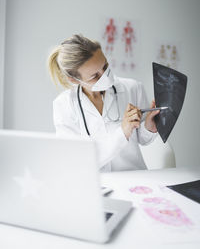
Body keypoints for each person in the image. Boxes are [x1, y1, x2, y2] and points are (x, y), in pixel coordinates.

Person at [48, 34, 159, 172]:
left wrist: (150, 127)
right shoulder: (63, 105)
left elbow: (143, 139)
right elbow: (77, 160)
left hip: (134, 178)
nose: (105, 75)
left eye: (105, 66)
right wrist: (123, 132)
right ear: (74, 80)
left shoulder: (133, 88)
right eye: (94, 76)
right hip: (95, 184)